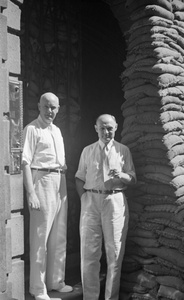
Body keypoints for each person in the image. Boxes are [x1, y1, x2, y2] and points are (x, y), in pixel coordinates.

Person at [75, 114, 136, 300]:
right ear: (96, 128)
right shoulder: (87, 150)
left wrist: (122, 175)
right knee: (89, 254)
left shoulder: (123, 150)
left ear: (116, 127)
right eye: (102, 128)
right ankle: (90, 297)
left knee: (115, 254)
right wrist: (84, 198)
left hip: (114, 202)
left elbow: (133, 179)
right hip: (91, 202)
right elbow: (79, 178)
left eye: (109, 128)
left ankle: (111, 297)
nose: (106, 132)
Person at [22, 92, 73, 300]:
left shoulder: (57, 131)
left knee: (59, 233)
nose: (50, 111)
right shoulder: (32, 129)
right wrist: (31, 192)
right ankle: (38, 288)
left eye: (54, 107)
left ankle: (55, 281)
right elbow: (25, 162)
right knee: (40, 236)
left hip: (59, 180)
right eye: (46, 107)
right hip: (41, 181)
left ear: (58, 109)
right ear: (39, 107)